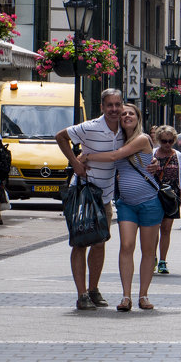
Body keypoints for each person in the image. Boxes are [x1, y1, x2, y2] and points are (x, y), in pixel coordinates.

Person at [79, 103, 160, 312]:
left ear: (138, 117)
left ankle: (143, 295)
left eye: (130, 113)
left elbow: (115, 157)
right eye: (123, 114)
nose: (126, 116)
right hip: (126, 203)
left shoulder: (142, 138)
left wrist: (87, 157)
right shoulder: (117, 140)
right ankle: (126, 296)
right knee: (126, 246)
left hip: (150, 201)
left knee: (148, 250)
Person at [55, 88, 124, 310]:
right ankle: (81, 293)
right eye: (109, 105)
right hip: (84, 194)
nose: (114, 109)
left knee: (100, 241)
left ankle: (93, 289)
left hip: (105, 197)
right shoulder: (90, 126)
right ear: (102, 107)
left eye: (117, 105)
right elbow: (60, 136)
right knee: (80, 242)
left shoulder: (126, 129)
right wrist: (75, 163)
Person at [149, 125, 181, 274]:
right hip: (154, 195)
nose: (167, 144)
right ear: (158, 140)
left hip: (171, 196)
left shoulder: (178, 155)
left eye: (170, 141)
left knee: (166, 228)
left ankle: (163, 260)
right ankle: (152, 258)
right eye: (164, 141)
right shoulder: (151, 154)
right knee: (153, 229)